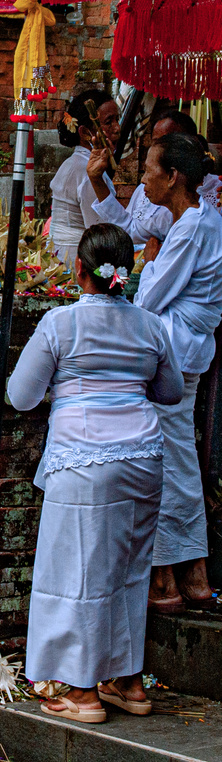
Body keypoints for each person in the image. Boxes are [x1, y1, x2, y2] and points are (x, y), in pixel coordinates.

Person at [8, 224, 183, 722]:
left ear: (79, 269)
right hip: (144, 459)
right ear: (125, 273)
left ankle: (82, 690)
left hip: (83, 459)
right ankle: (127, 681)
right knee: (129, 570)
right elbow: (169, 392)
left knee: (77, 573)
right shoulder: (151, 325)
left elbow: (21, 396)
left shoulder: (61, 324)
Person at [135, 133, 222, 610]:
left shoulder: (191, 227)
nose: (144, 178)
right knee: (177, 457)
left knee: (166, 459)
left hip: (174, 350)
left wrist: (148, 263)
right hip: (185, 350)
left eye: (150, 169)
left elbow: (149, 298)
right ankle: (192, 576)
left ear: (174, 178)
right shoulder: (204, 221)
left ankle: (170, 578)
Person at [87, 109, 222, 244]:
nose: (143, 180)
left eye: (166, 143)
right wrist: (96, 179)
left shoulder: (209, 202)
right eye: (155, 143)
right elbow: (128, 231)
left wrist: (153, 259)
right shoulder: (146, 188)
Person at [49, 90, 121, 264]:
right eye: (108, 122)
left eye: (117, 120)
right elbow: (100, 232)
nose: (117, 128)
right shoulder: (86, 170)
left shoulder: (74, 163)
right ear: (84, 132)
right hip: (76, 263)